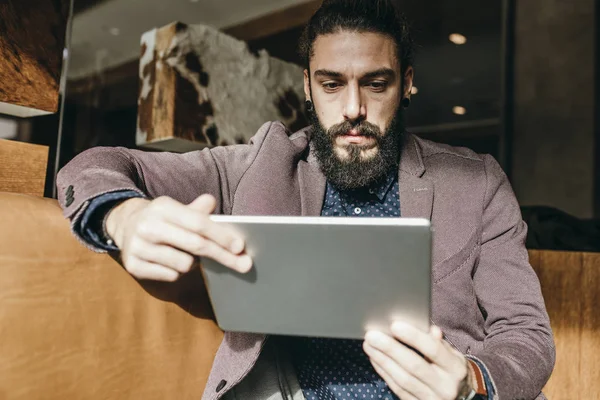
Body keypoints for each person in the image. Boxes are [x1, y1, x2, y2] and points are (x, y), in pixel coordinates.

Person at [57, 0, 555, 399]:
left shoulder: (478, 183)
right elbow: (92, 167)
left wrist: (472, 381)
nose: (353, 109)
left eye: (375, 84)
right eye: (332, 84)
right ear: (308, 87)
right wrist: (123, 216)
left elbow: (528, 334)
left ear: (407, 83)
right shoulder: (260, 164)